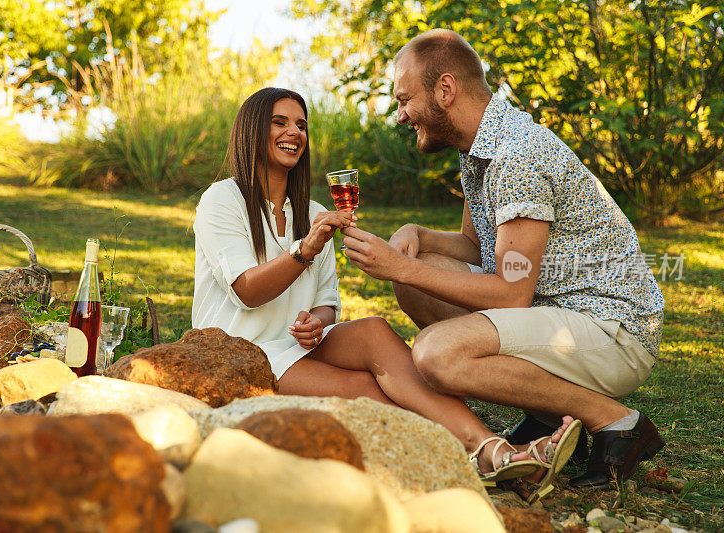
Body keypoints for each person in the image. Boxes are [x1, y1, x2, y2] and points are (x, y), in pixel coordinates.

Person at [192, 87, 581, 499]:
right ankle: (490, 456)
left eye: (301, 124)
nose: (295, 132)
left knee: (374, 331)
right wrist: (305, 248)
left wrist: (317, 323)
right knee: (365, 390)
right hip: (244, 351)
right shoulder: (222, 200)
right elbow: (248, 291)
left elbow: (327, 305)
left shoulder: (312, 211)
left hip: (294, 345)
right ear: (252, 130)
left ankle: (491, 450)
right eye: (280, 122)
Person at [341, 30, 665, 489]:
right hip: (556, 312)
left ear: (445, 90)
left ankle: (618, 424)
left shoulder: (516, 156)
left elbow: (512, 291)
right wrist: (416, 235)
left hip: (612, 330)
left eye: (405, 99)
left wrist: (400, 266)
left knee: (437, 354)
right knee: (416, 280)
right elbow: (480, 249)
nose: (400, 115)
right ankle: (546, 413)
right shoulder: (481, 149)